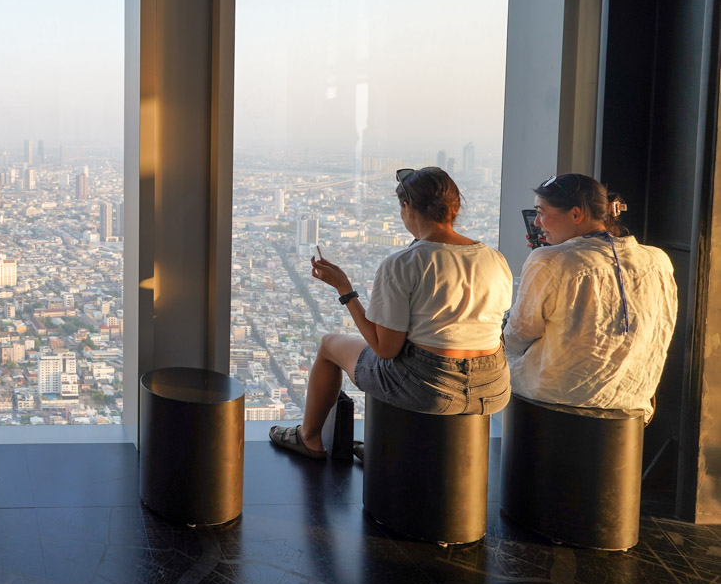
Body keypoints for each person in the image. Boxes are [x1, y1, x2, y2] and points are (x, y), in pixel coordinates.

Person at [270, 167, 512, 460]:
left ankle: (309, 438)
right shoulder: (494, 259)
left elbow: (385, 349)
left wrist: (345, 291)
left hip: (429, 387)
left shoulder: (403, 263)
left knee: (329, 345)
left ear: (408, 208)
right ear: (455, 208)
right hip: (493, 386)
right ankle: (392, 448)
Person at [503, 173, 677, 420]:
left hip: (554, 397)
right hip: (633, 397)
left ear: (575, 215)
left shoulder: (549, 260)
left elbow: (518, 336)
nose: (538, 223)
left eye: (541, 212)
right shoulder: (658, 260)